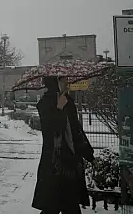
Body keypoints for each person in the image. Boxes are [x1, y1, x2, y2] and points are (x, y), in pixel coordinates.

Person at [32, 76, 94, 214]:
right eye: (64, 80)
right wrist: (59, 109)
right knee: (54, 206)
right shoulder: (45, 103)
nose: (67, 82)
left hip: (70, 162)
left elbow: (76, 130)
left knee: (66, 204)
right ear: (56, 82)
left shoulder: (68, 100)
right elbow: (51, 132)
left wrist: (88, 153)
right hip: (55, 163)